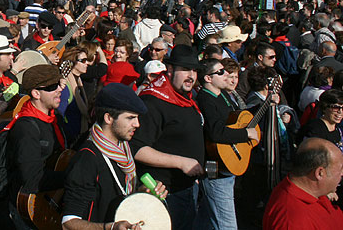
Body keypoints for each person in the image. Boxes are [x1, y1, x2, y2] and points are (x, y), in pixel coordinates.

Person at [62, 83, 167, 229]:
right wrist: (109, 227)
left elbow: (119, 196)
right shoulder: (88, 158)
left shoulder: (123, 150)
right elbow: (68, 223)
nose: (137, 124)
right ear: (109, 118)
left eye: (137, 118)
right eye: (130, 118)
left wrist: (141, 193)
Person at [131, 45, 205, 230]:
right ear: (170, 70)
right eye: (185, 69)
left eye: (194, 70)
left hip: (187, 188)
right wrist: (181, 162)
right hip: (165, 194)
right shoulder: (154, 101)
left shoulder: (184, 96)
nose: (192, 76)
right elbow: (136, 148)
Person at [195, 58, 259, 230]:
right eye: (220, 72)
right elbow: (216, 132)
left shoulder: (223, 95)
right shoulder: (206, 99)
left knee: (207, 220)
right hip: (216, 169)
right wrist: (245, 133)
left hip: (227, 165)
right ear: (208, 78)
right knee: (227, 225)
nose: (226, 75)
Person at [4, 64, 66, 228]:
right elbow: (32, 179)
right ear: (36, 93)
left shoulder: (53, 117)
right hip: (29, 206)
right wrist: (71, 177)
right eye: (52, 87)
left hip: (48, 196)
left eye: (59, 84)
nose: (60, 89)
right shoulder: (26, 127)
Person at [263, 138, 343, 229]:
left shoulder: (312, 191)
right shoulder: (292, 221)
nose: (342, 174)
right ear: (320, 173)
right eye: (340, 169)